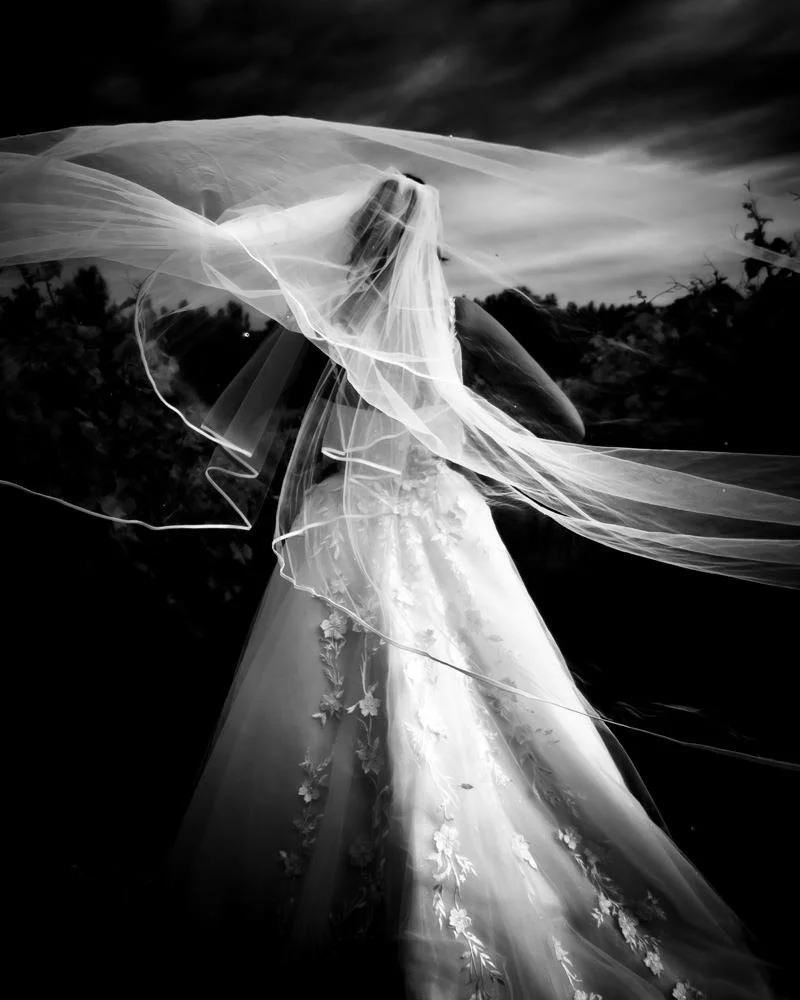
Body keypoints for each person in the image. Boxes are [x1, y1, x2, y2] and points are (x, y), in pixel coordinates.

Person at [1, 120, 797, 999]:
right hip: (438, 520)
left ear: (356, 236)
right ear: (431, 242)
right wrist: (462, 436)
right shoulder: (462, 321)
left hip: (343, 528)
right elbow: (564, 425)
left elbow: (283, 448)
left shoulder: (323, 326)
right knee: (482, 694)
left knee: (325, 705)